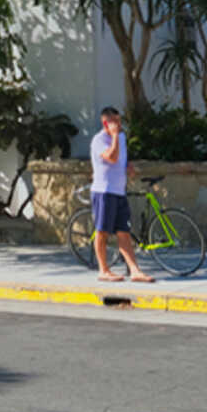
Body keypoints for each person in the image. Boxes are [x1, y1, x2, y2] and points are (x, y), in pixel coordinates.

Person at [89, 106, 154, 283]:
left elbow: (120, 160)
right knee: (102, 232)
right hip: (104, 191)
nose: (119, 125)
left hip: (119, 191)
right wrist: (115, 136)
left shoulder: (122, 138)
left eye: (119, 121)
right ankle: (103, 270)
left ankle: (135, 271)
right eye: (115, 121)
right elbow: (111, 157)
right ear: (105, 123)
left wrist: (127, 166)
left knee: (124, 231)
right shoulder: (99, 140)